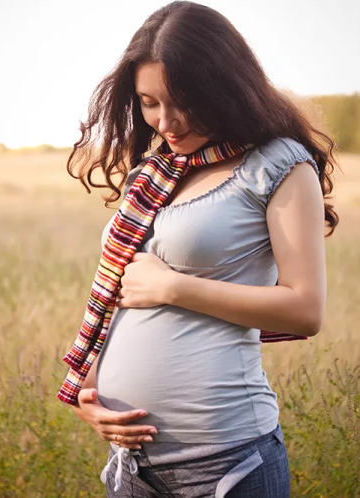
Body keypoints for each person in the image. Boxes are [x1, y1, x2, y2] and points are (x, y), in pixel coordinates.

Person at [58, 1, 338, 496]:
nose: (166, 121)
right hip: (133, 465)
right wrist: (90, 389)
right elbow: (118, 296)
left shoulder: (278, 164)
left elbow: (305, 309)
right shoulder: (156, 172)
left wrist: (173, 287)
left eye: (183, 100)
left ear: (224, 87)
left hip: (227, 462)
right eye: (149, 103)